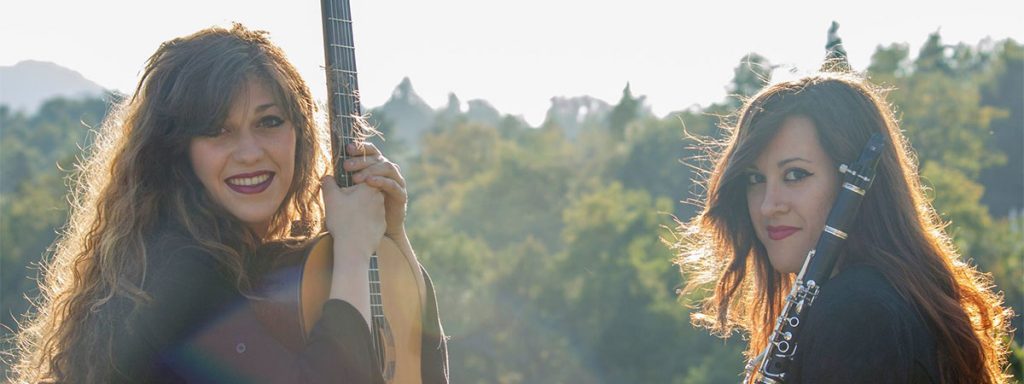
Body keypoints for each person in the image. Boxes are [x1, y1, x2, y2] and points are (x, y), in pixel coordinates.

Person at [11, 23, 448, 383]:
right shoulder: (178, 276)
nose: (250, 151)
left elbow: (411, 369)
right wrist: (353, 255)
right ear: (179, 150)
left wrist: (389, 241)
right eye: (218, 131)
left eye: (269, 122)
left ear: (300, 132)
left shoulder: (267, 265)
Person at [674, 72, 1012, 383]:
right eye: (755, 179)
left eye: (795, 175)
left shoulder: (857, 315)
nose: (767, 205)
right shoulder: (884, 297)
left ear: (854, 184)